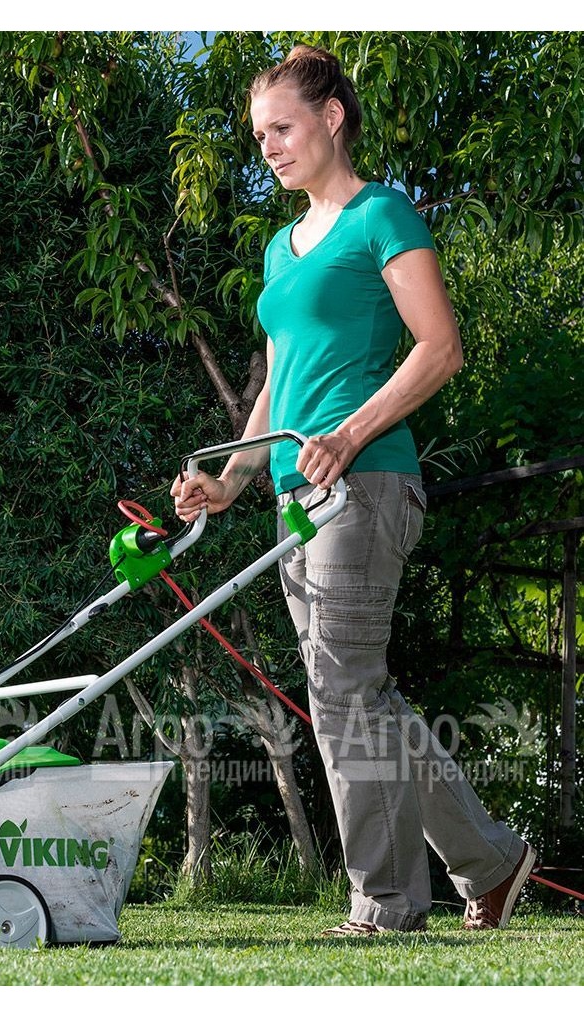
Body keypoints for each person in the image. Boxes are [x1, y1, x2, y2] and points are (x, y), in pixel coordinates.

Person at [171, 44, 535, 935]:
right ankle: (492, 863)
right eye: (260, 137)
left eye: (282, 129)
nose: (269, 149)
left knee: (342, 696)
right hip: (295, 495)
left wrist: (349, 434)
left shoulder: (382, 216)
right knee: (359, 696)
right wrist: (232, 479)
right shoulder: (280, 248)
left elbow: (439, 348)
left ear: (331, 119)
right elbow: (278, 383)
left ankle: (386, 903)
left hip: (366, 484)